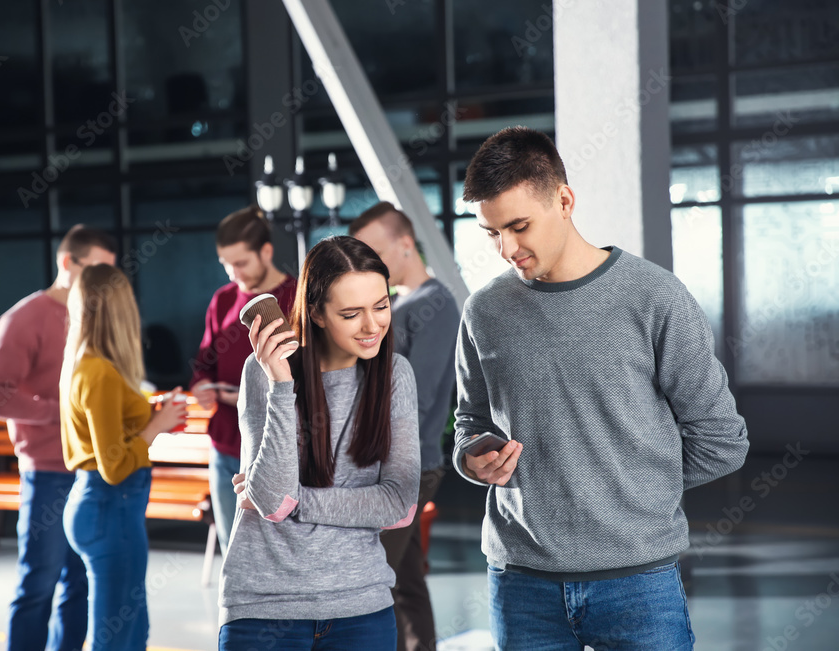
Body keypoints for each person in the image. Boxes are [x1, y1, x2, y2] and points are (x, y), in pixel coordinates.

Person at [452, 126, 749, 650]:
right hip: (522, 584)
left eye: (519, 226)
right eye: (492, 233)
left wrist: (625, 492)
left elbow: (722, 441)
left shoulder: (656, 299)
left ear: (564, 200)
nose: (507, 248)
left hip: (639, 584)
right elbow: (470, 422)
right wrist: (472, 458)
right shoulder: (484, 312)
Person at [219, 236, 421, 650]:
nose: (372, 326)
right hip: (263, 607)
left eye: (381, 306)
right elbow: (274, 503)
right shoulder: (262, 372)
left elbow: (398, 506)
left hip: (361, 608)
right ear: (316, 313)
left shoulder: (395, 374)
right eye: (351, 313)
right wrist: (280, 385)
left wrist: (301, 501)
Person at [0, 225, 117, 651]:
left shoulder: (94, 317)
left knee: (80, 584)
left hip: (91, 470)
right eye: (96, 269)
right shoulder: (24, 318)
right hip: (49, 474)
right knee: (38, 582)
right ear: (67, 263)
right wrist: (61, 412)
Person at [59, 264, 187, 651]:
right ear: (120, 310)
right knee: (117, 640)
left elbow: (108, 429)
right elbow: (113, 466)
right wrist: (156, 426)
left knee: (131, 631)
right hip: (110, 507)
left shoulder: (87, 365)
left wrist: (148, 412)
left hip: (103, 508)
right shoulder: (100, 373)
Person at [350, 202, 460, 651]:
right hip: (391, 461)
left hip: (408, 466)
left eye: (374, 252)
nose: (367, 266)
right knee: (405, 579)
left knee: (370, 583)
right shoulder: (396, 304)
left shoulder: (436, 305)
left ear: (405, 244)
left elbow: (420, 397)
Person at [189, 205, 297, 553]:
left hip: (277, 447)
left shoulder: (296, 297)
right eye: (226, 263)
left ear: (265, 252)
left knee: (277, 551)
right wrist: (201, 387)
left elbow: (309, 374)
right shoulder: (222, 300)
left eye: (241, 263)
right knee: (232, 548)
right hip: (224, 447)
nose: (233, 272)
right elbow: (203, 363)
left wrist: (253, 398)